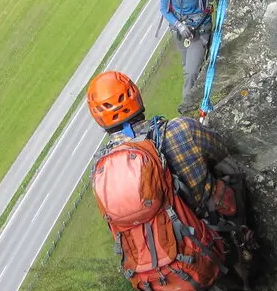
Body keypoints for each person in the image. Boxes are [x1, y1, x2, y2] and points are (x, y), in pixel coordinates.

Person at [86, 70, 236, 217]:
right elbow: (222, 151)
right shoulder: (182, 128)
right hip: (210, 228)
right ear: (136, 98)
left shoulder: (100, 172)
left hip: (158, 239)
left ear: (99, 118)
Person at [142, 0, 216, 113]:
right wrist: (178, 25)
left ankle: (187, 109)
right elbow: (164, 9)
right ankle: (197, 100)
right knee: (186, 68)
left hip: (198, 30)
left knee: (191, 72)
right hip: (180, 31)